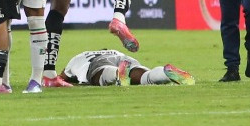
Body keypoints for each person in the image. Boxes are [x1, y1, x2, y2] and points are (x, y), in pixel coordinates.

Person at [60, 50, 195, 86]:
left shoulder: (80, 57)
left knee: (99, 77)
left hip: (97, 62)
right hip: (123, 57)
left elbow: (60, 79)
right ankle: (165, 74)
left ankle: (118, 74)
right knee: (144, 77)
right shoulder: (113, 51)